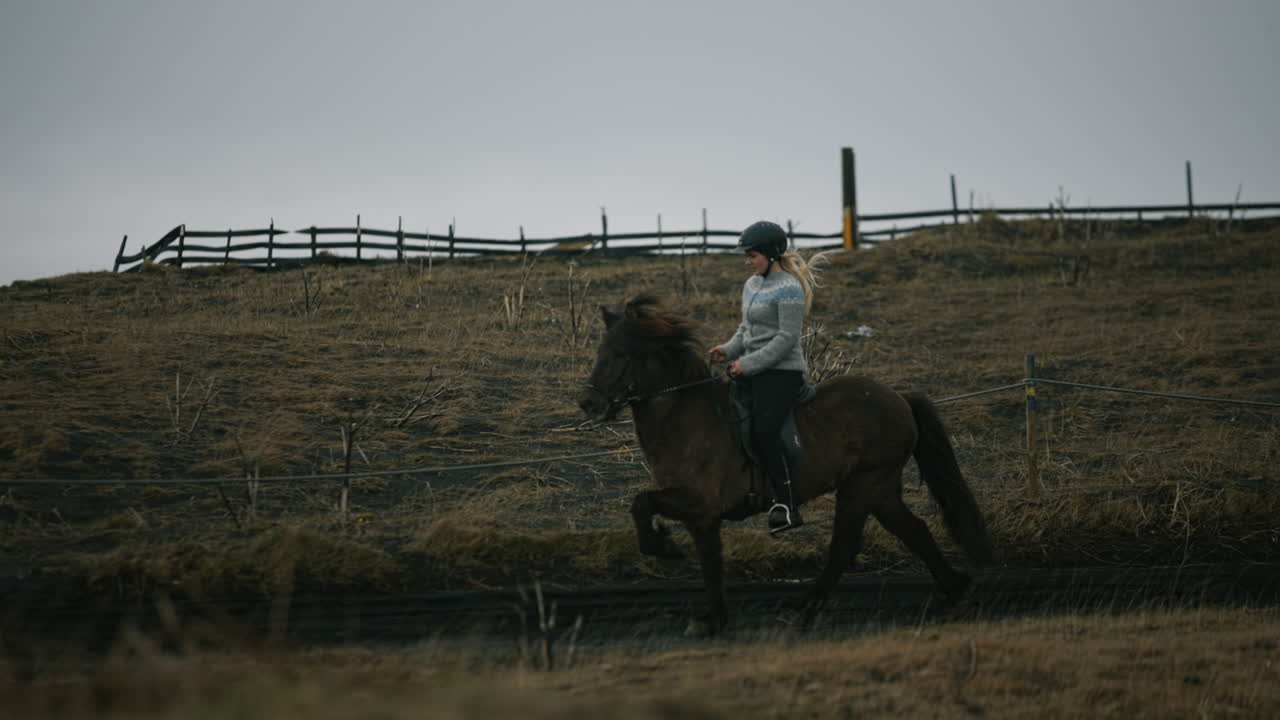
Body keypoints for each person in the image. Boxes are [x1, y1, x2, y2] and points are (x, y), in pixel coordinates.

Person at [710, 220, 827, 535]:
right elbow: (745, 330)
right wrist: (728, 350)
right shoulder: (751, 285)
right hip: (752, 368)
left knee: (764, 430)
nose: (747, 262)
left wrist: (747, 364)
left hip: (781, 373)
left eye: (752, 256)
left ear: (772, 254)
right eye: (746, 256)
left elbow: (786, 339)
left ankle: (786, 505)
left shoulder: (788, 287)